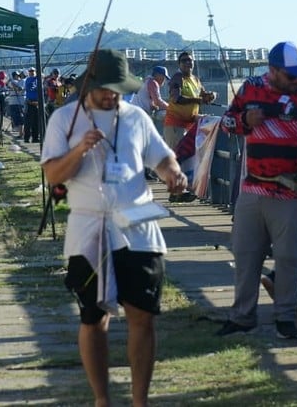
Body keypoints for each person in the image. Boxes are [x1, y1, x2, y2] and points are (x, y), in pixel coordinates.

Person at [40, 49, 187, 407]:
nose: (112, 95)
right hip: (88, 228)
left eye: (118, 89)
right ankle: (102, 399)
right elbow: (53, 176)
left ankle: (140, 401)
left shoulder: (136, 117)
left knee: (143, 316)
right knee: (93, 317)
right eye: (106, 89)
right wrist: (79, 150)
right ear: (88, 85)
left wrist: (173, 174)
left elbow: (162, 157)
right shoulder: (65, 119)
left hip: (137, 227)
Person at [216, 41, 297, 340]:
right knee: (246, 256)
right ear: (272, 71)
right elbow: (226, 123)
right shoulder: (250, 89)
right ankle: (242, 317)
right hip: (253, 188)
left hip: (293, 191)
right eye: (291, 75)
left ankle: (285, 318)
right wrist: (244, 120)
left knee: (288, 259)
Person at [163, 52, 217, 150]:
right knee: (176, 156)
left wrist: (211, 95)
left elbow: (203, 95)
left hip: (189, 126)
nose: (187, 62)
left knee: (186, 157)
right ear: (179, 64)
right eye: (184, 61)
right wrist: (198, 100)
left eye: (190, 60)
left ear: (193, 63)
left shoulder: (195, 79)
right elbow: (176, 98)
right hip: (175, 126)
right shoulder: (177, 77)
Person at [23, 67, 41, 143]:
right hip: (30, 102)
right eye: (30, 71)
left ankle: (35, 138)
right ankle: (26, 138)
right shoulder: (28, 80)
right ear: (29, 73)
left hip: (37, 102)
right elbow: (30, 87)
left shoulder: (37, 79)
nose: (32, 72)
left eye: (33, 71)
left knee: (36, 122)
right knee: (28, 122)